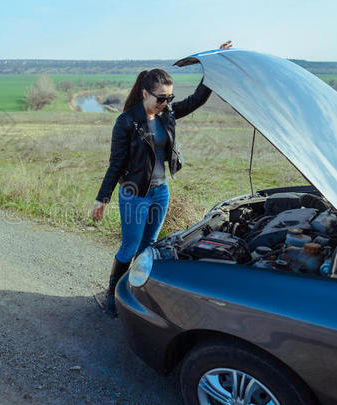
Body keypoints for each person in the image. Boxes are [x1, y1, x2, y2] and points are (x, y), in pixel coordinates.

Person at [91, 41, 233, 317]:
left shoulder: (167, 113)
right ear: (145, 93)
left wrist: (214, 64)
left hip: (160, 192)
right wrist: (102, 198)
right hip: (134, 193)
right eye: (161, 98)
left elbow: (197, 99)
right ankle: (112, 293)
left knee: (149, 247)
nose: (166, 103)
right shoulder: (126, 122)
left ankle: (134, 292)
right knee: (130, 246)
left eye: (169, 97)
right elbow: (115, 164)